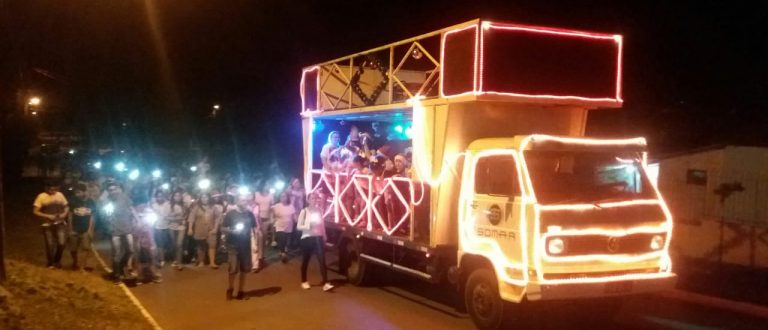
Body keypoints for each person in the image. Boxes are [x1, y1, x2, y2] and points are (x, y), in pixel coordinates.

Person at [221, 194, 259, 300]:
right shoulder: (230, 214)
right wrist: (232, 231)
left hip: (245, 245)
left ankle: (241, 290)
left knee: (244, 269)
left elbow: (255, 228)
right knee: (233, 268)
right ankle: (230, 288)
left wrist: (255, 242)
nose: (245, 202)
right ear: (237, 201)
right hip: (232, 244)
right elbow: (223, 228)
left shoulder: (250, 214)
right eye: (243, 200)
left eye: (246, 200)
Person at [296, 193, 333, 291]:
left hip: (318, 238)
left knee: (322, 260)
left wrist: (324, 235)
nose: (314, 200)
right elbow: (299, 226)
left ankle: (326, 282)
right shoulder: (304, 211)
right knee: (306, 260)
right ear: (308, 200)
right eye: (312, 198)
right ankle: (304, 281)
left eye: (316, 198)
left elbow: (322, 224)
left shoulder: (319, 211)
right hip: (307, 238)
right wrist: (308, 225)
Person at [33, 180, 70, 269]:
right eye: (51, 189)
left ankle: (57, 260)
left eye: (54, 189)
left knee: (62, 243)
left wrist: (64, 214)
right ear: (46, 188)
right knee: (49, 244)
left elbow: (67, 207)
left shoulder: (60, 195)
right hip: (47, 224)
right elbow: (35, 211)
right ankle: (50, 263)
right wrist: (47, 216)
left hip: (59, 222)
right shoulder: (41, 196)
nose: (53, 191)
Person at [104, 182, 135, 281]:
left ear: (118, 189)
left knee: (131, 250)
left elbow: (131, 209)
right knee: (117, 253)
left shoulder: (124, 198)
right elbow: (106, 217)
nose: (113, 191)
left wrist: (138, 220)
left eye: (115, 189)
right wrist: (110, 227)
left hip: (127, 228)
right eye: (111, 190)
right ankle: (117, 274)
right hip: (115, 230)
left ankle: (122, 266)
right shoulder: (107, 202)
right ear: (108, 192)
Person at [187, 193, 221, 268]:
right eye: (202, 197)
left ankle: (212, 262)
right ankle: (201, 261)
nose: (204, 199)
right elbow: (191, 218)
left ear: (209, 198)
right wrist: (190, 229)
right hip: (199, 229)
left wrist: (215, 228)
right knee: (200, 246)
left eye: (206, 197)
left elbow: (218, 218)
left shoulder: (213, 207)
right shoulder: (196, 207)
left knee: (212, 246)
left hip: (211, 229)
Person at [132, 200, 162, 283]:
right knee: (138, 257)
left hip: (149, 237)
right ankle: (139, 276)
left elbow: (153, 223)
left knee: (152, 256)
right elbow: (133, 228)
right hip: (137, 237)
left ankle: (154, 274)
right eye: (140, 204)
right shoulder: (132, 213)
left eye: (143, 203)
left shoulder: (149, 212)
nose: (142, 206)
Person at [68, 183, 95, 271]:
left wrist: (90, 230)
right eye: (76, 193)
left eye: (79, 192)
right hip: (75, 228)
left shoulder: (91, 202)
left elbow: (92, 217)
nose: (77, 194)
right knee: (73, 248)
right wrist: (70, 229)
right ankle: (75, 262)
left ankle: (82, 266)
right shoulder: (73, 201)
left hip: (85, 229)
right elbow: (70, 215)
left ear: (84, 192)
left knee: (86, 248)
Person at [272, 192, 296, 263]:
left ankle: (282, 250)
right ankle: (283, 254)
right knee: (282, 238)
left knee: (285, 240)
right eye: (281, 196)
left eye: (284, 196)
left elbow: (294, 216)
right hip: (279, 225)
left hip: (289, 226)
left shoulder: (291, 206)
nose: (283, 198)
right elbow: (272, 214)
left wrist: (299, 222)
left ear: (287, 197)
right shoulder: (276, 206)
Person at [151, 191, 171, 267]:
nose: (160, 198)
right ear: (156, 197)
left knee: (166, 243)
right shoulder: (153, 205)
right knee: (160, 244)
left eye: (161, 196)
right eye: (158, 196)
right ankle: (162, 259)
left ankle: (166, 256)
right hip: (157, 226)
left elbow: (170, 213)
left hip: (168, 226)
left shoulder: (168, 204)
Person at [168, 190, 187, 270]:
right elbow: (166, 217)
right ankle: (175, 259)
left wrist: (182, 219)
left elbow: (186, 216)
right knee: (174, 245)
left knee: (179, 244)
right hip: (172, 226)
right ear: (173, 197)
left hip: (181, 226)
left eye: (179, 195)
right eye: (176, 195)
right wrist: (175, 217)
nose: (177, 197)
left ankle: (180, 263)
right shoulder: (169, 205)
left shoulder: (184, 205)